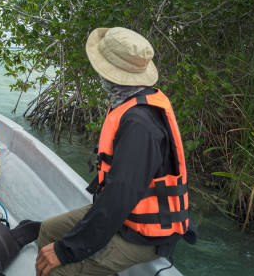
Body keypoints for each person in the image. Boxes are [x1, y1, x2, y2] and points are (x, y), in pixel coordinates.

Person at [35, 27, 197, 276]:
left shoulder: (139, 125)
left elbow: (120, 197)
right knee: (47, 229)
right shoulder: (129, 101)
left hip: (143, 234)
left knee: (56, 270)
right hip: (125, 217)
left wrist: (66, 250)